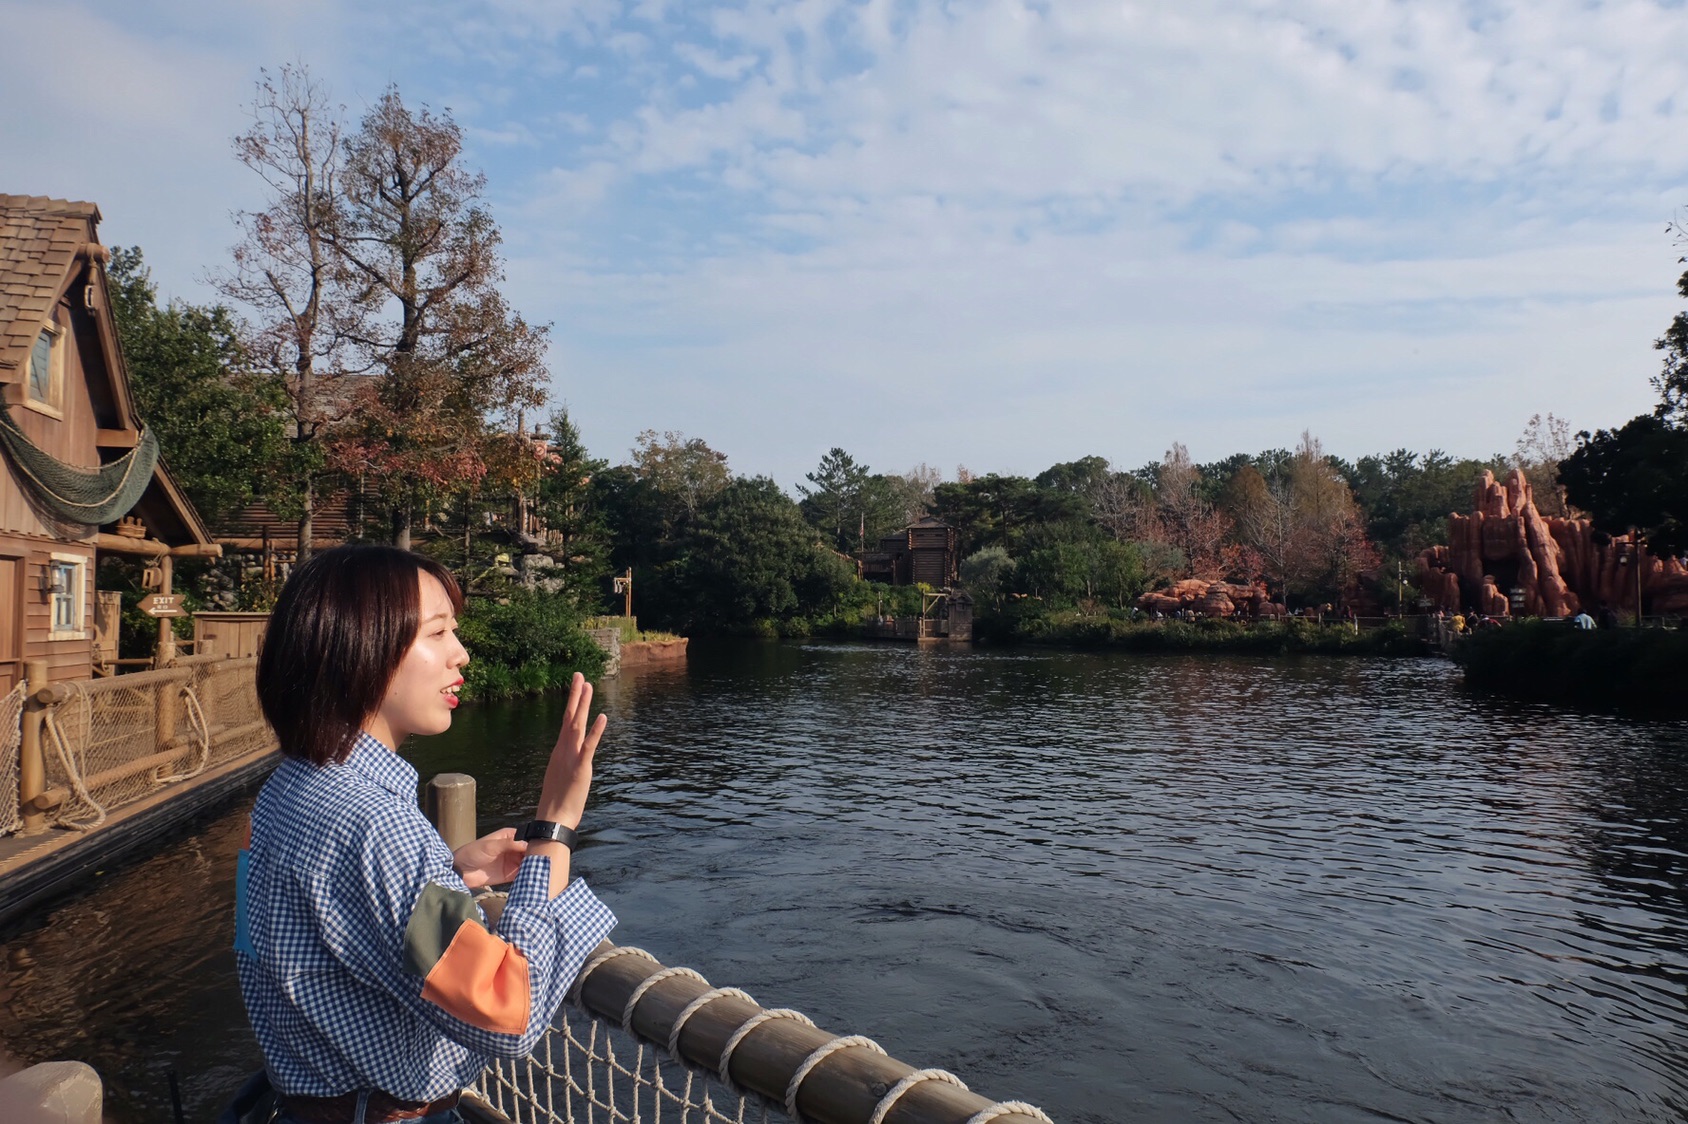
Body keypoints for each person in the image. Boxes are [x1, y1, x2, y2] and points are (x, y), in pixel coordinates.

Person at [229, 545, 616, 1124]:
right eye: (437, 634)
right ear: (359, 649)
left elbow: (321, 926)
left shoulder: (288, 790)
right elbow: (506, 1012)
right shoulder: (378, 824)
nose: (461, 654)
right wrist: (553, 829)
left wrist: (451, 873)